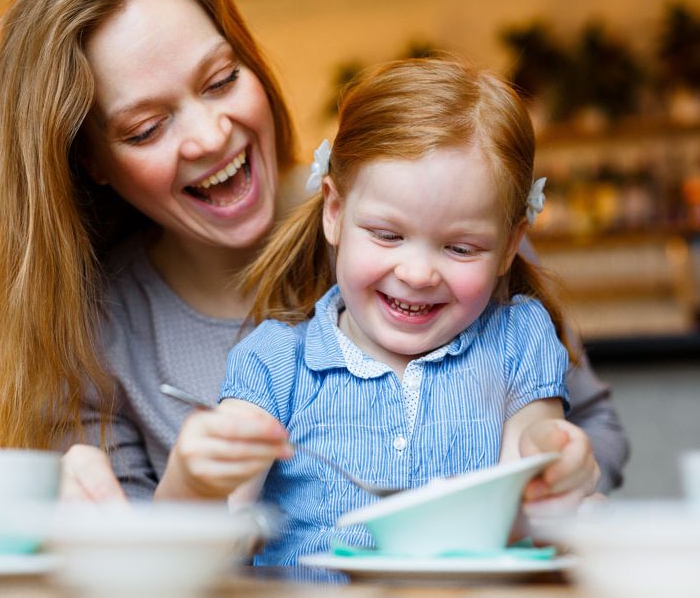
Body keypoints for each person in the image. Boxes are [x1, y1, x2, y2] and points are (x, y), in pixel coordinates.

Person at [0, 0, 627, 502]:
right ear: (89, 160)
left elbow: (594, 428)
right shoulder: (93, 332)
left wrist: (566, 469)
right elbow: (138, 555)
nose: (211, 134)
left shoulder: (438, 219)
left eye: (221, 80)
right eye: (147, 126)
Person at [165, 58, 600, 565]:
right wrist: (191, 481)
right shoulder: (275, 362)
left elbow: (528, 499)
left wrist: (558, 465)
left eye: (460, 249)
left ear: (509, 247)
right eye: (388, 236)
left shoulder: (518, 340)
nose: (417, 273)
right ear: (334, 211)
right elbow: (202, 550)